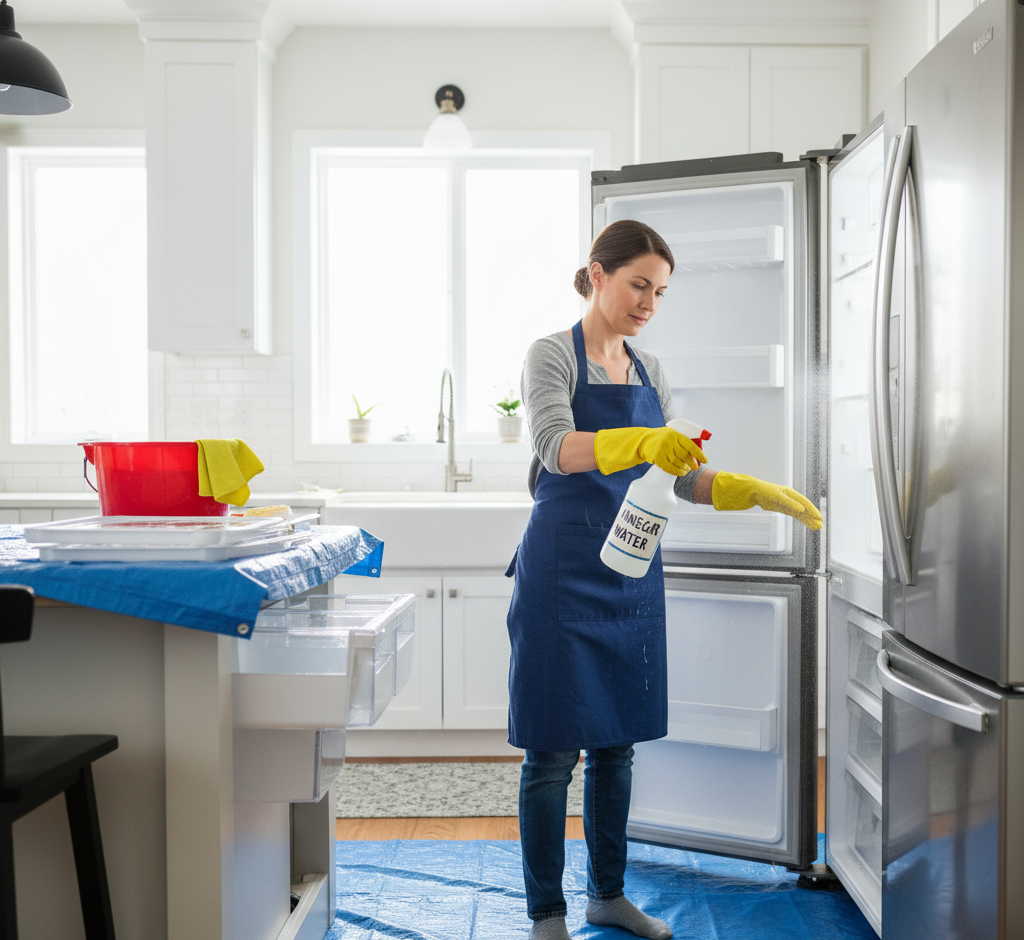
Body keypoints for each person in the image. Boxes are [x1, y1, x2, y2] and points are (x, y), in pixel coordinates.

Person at [505, 219, 822, 940]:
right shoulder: (550, 355)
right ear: (597, 275)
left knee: (617, 743)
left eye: (660, 291)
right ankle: (546, 913)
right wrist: (643, 440)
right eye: (638, 284)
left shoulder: (650, 371)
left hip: (632, 570)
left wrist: (743, 488)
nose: (649, 302)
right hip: (561, 572)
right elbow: (556, 449)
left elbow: (680, 474)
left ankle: (606, 896)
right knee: (553, 751)